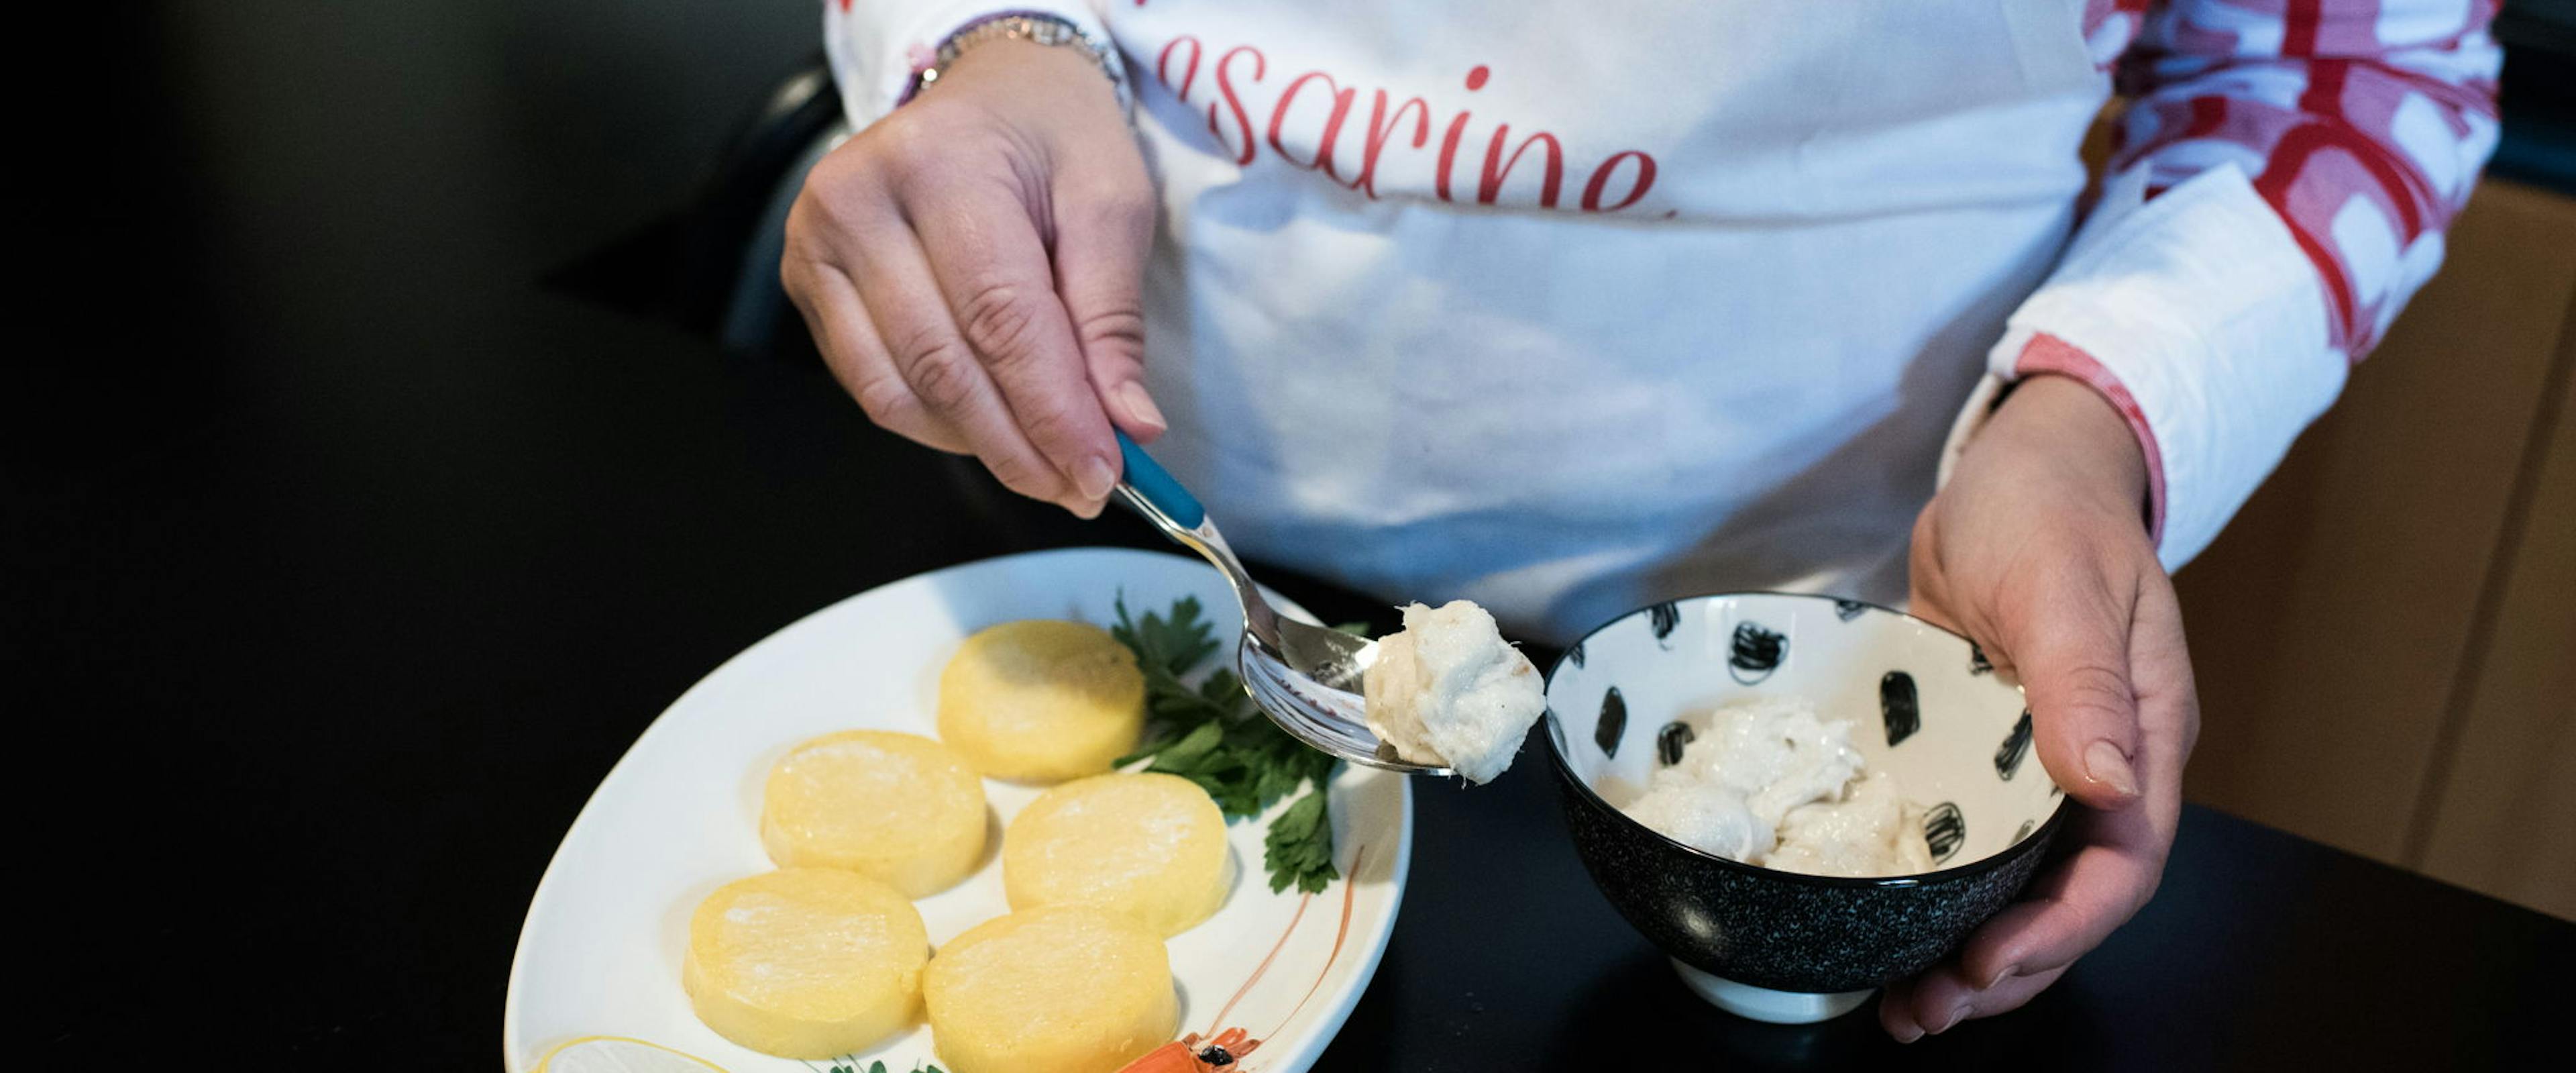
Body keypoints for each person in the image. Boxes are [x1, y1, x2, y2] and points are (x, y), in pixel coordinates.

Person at [784, 0, 2501, 1039]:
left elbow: (2342, 79)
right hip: (1111, 508)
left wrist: (2098, 416)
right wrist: (994, 45)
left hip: (1769, 708)